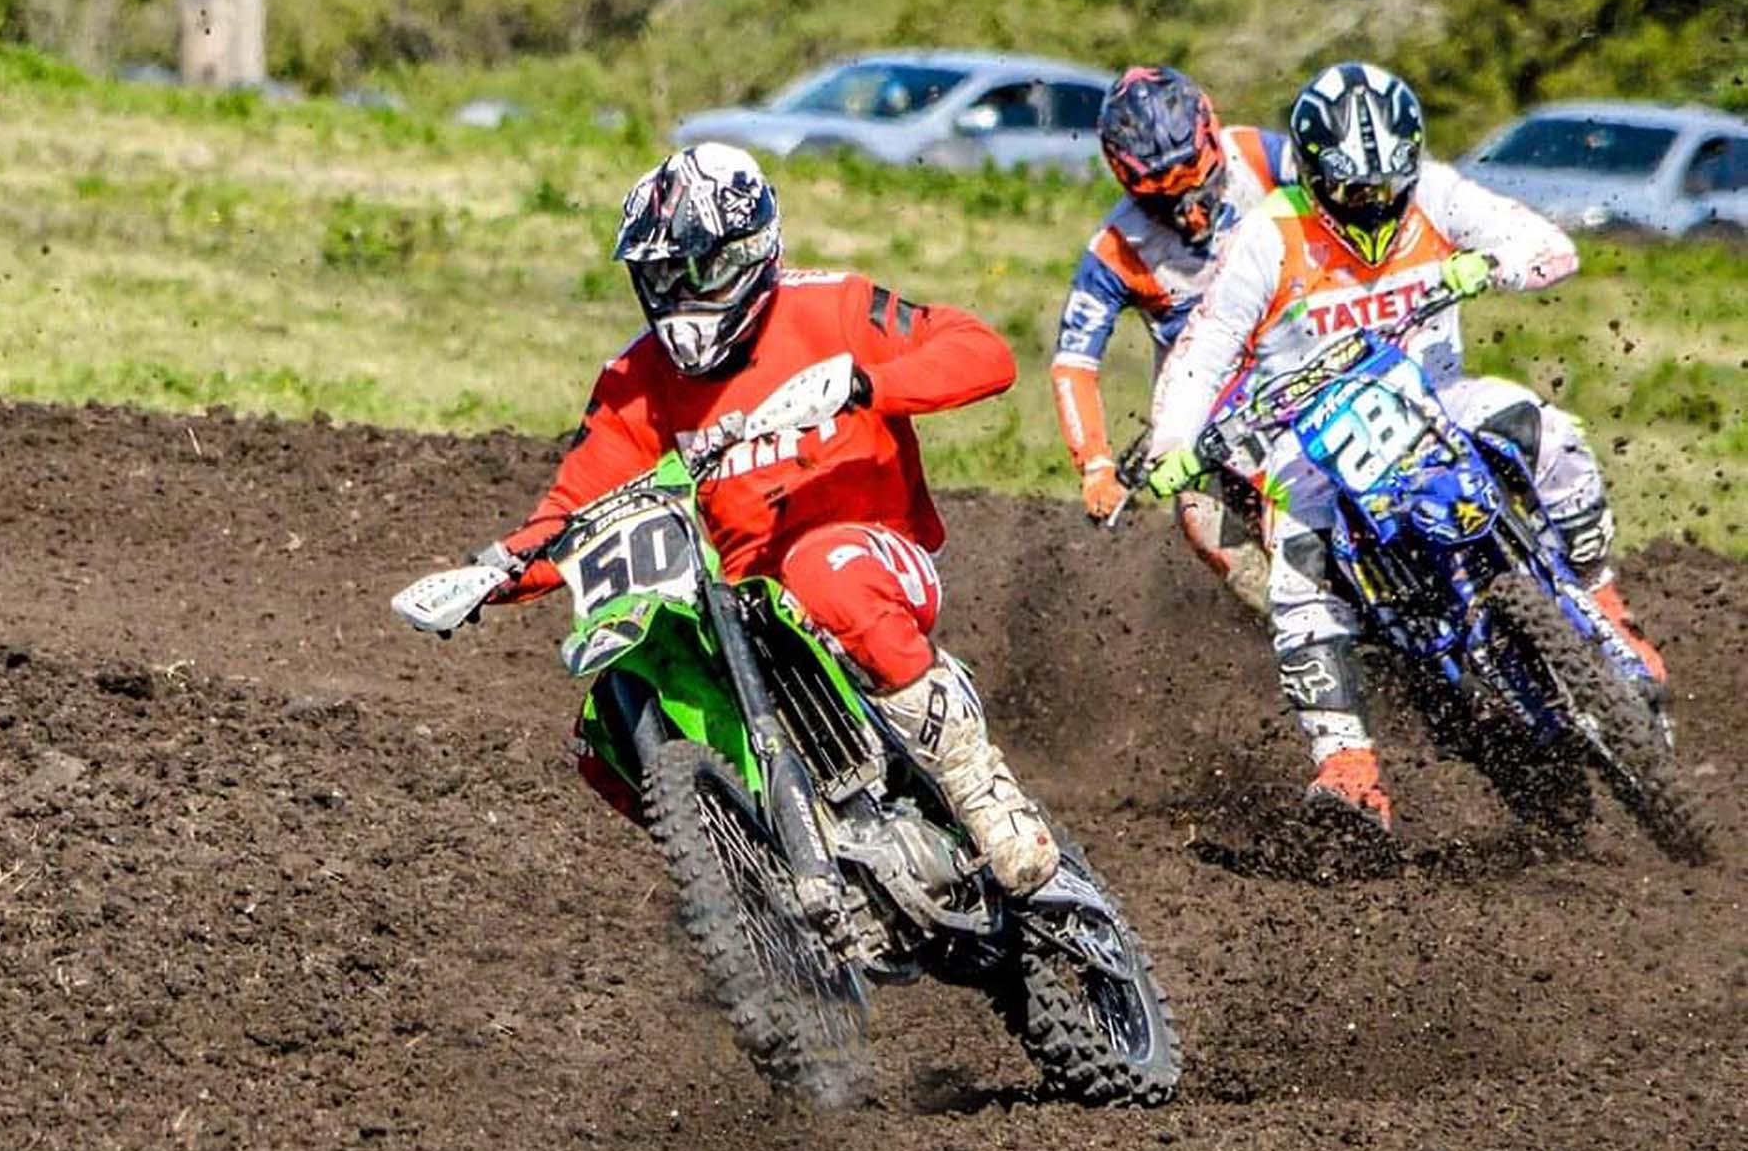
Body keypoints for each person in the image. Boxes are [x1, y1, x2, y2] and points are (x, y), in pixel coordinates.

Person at [477, 142, 1058, 893]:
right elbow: (570, 512)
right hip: (746, 601)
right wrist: (492, 572)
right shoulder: (635, 381)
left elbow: (984, 353)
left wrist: (865, 384)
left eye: (698, 271)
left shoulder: (833, 307)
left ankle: (982, 790)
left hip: (877, 558)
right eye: (661, 277)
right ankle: (756, 887)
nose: (679, 296)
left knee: (824, 573)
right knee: (609, 718)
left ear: (750, 252)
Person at [1144, 61, 1666, 832]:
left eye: (1387, 184)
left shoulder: (1436, 191)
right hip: (1313, 438)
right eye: (1353, 189)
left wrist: (1497, 263)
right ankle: (1348, 768)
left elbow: (1547, 243)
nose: (1375, 202)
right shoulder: (1269, 235)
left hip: (1436, 398)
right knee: (1297, 566)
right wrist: (1173, 444)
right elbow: (1205, 347)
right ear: (1314, 176)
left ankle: (1606, 604)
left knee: (1544, 430)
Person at [1051, 66, 1290, 610]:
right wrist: (1096, 465)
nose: (1192, 212)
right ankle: (1296, 633)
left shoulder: (1257, 155)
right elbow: (1073, 364)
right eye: (1165, 200)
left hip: (1310, 353)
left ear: (1211, 140)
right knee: (1200, 519)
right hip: (1208, 409)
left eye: (1197, 184)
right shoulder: (1115, 249)